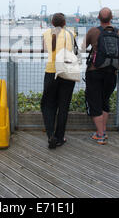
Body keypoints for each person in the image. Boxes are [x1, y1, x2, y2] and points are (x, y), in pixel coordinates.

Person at [83, 7, 119, 145]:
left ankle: (100, 135)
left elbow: (82, 47)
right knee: (105, 101)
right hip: (112, 71)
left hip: (94, 71)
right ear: (112, 18)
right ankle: (103, 131)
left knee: (94, 101)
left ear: (98, 18)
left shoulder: (93, 31)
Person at [41, 13, 76, 149]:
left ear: (52, 23)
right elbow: (74, 49)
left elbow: (45, 50)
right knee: (63, 106)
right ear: (64, 22)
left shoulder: (46, 33)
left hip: (51, 71)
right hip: (67, 71)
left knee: (48, 105)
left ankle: (51, 136)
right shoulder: (71, 32)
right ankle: (60, 137)